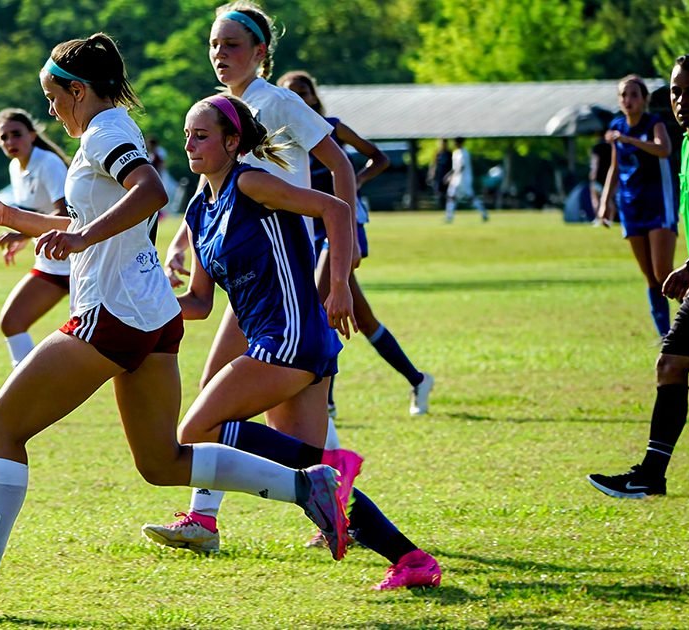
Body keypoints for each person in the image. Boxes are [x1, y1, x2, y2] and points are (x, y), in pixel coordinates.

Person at [0, 33, 352, 618]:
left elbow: (149, 192)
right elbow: (93, 212)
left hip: (111, 315)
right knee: (161, 461)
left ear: (79, 90)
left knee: (2, 426)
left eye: (53, 96)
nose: (51, 109)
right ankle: (307, 487)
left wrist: (81, 237)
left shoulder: (105, 130)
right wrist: (13, 216)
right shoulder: (110, 130)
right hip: (152, 318)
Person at [147, 92, 442, 590]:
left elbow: (334, 209)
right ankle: (411, 560)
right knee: (309, 472)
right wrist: (141, 303)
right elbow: (198, 301)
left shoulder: (252, 182)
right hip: (282, 341)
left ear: (232, 141)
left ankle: (334, 470)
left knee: (198, 428)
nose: (189, 144)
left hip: (293, 336)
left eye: (201, 135)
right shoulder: (200, 210)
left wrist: (342, 284)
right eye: (187, 135)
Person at [154, 0, 366, 560]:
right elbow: (210, 191)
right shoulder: (219, 111)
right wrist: (182, 242)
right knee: (262, 409)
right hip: (243, 274)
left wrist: (339, 271)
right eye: (214, 46)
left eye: (232, 45)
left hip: (284, 273)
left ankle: (224, 513)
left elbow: (340, 170)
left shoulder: (279, 103)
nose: (220, 55)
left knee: (241, 407)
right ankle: (212, 516)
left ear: (261, 53)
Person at [276, 70, 434, 422]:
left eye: (304, 92)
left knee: (317, 305)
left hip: (343, 224)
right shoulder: (283, 137)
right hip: (311, 229)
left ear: (314, 98)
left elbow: (379, 157)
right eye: (290, 93)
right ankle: (418, 379)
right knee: (360, 317)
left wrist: (355, 182)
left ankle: (325, 401)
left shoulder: (331, 126)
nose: (299, 98)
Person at [588, 54, 689, 499]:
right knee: (670, 365)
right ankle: (650, 475)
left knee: (671, 365)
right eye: (676, 91)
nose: (681, 100)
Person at [596, 74, 678, 337]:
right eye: (623, 95)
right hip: (631, 207)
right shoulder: (617, 126)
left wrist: (630, 140)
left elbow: (663, 149)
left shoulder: (654, 124)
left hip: (658, 205)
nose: (627, 100)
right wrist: (606, 201)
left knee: (664, 272)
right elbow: (615, 167)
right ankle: (666, 337)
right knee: (650, 278)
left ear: (645, 99)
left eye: (633, 95)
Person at [0, 108, 72, 367]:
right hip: (51, 262)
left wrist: (20, 232)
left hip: (80, 261)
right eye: (4, 137)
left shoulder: (47, 163)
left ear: (33, 135)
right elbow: (36, 214)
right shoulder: (15, 167)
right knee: (12, 321)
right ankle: (25, 386)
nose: (11, 142)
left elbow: (63, 213)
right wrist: (23, 237)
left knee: (92, 339)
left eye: (17, 134)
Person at [444, 137, 488, 222]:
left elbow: (461, 167)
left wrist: (453, 175)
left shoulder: (464, 153)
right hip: (456, 179)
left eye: (455, 142)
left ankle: (484, 213)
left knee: (470, 198)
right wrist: (448, 175)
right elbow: (454, 168)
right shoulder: (455, 153)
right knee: (451, 195)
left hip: (464, 180)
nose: (454, 144)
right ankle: (449, 216)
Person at [589, 137, 614, 224]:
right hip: (609, 176)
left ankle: (597, 218)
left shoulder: (596, 147)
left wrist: (593, 173)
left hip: (598, 177)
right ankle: (610, 219)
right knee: (608, 199)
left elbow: (595, 162)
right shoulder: (611, 147)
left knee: (595, 198)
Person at [428, 139, 452, 209]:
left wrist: (450, 176)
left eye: (443, 143)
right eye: (441, 143)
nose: (442, 145)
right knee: (438, 192)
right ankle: (440, 207)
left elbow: (452, 166)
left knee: (447, 193)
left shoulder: (449, 154)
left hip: (447, 177)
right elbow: (433, 164)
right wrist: (431, 174)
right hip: (438, 177)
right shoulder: (437, 153)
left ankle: (447, 207)